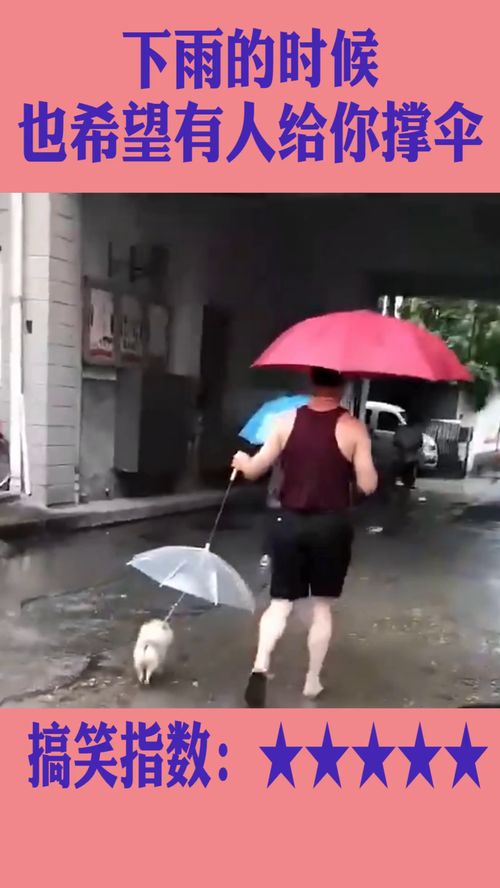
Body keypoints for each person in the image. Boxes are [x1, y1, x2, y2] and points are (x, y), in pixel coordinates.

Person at [232, 367, 378, 707]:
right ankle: (312, 682)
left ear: (312, 382)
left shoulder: (283, 421)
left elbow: (254, 469)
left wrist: (242, 461)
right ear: (342, 386)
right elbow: (369, 484)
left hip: (287, 522)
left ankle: (260, 664)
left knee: (280, 603)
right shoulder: (353, 428)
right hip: (331, 526)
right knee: (321, 606)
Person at [393, 409, 424, 490]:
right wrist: (404, 448)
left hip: (409, 458)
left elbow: (420, 443)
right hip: (403, 458)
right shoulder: (402, 429)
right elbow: (395, 442)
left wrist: (407, 448)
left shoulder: (415, 431)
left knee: (407, 480)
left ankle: (407, 483)